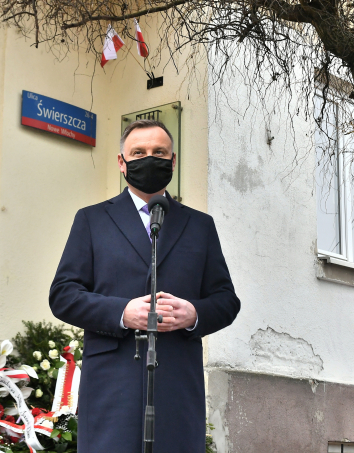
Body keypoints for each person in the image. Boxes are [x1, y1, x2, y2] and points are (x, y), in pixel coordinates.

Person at [49, 118, 241, 453]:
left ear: (173, 161)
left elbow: (226, 300)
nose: (149, 158)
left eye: (158, 152)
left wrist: (193, 313)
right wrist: (122, 312)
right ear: (122, 163)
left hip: (178, 389)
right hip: (112, 390)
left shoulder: (200, 226)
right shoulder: (92, 220)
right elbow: (63, 295)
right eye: (138, 152)